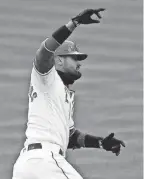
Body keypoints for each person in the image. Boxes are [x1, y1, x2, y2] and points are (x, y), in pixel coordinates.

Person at [12, 9, 125, 179]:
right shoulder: (46, 76)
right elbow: (43, 53)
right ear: (58, 60)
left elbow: (71, 137)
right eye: (74, 58)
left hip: (27, 166)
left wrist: (100, 143)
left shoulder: (58, 93)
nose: (79, 63)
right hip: (45, 162)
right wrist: (74, 23)